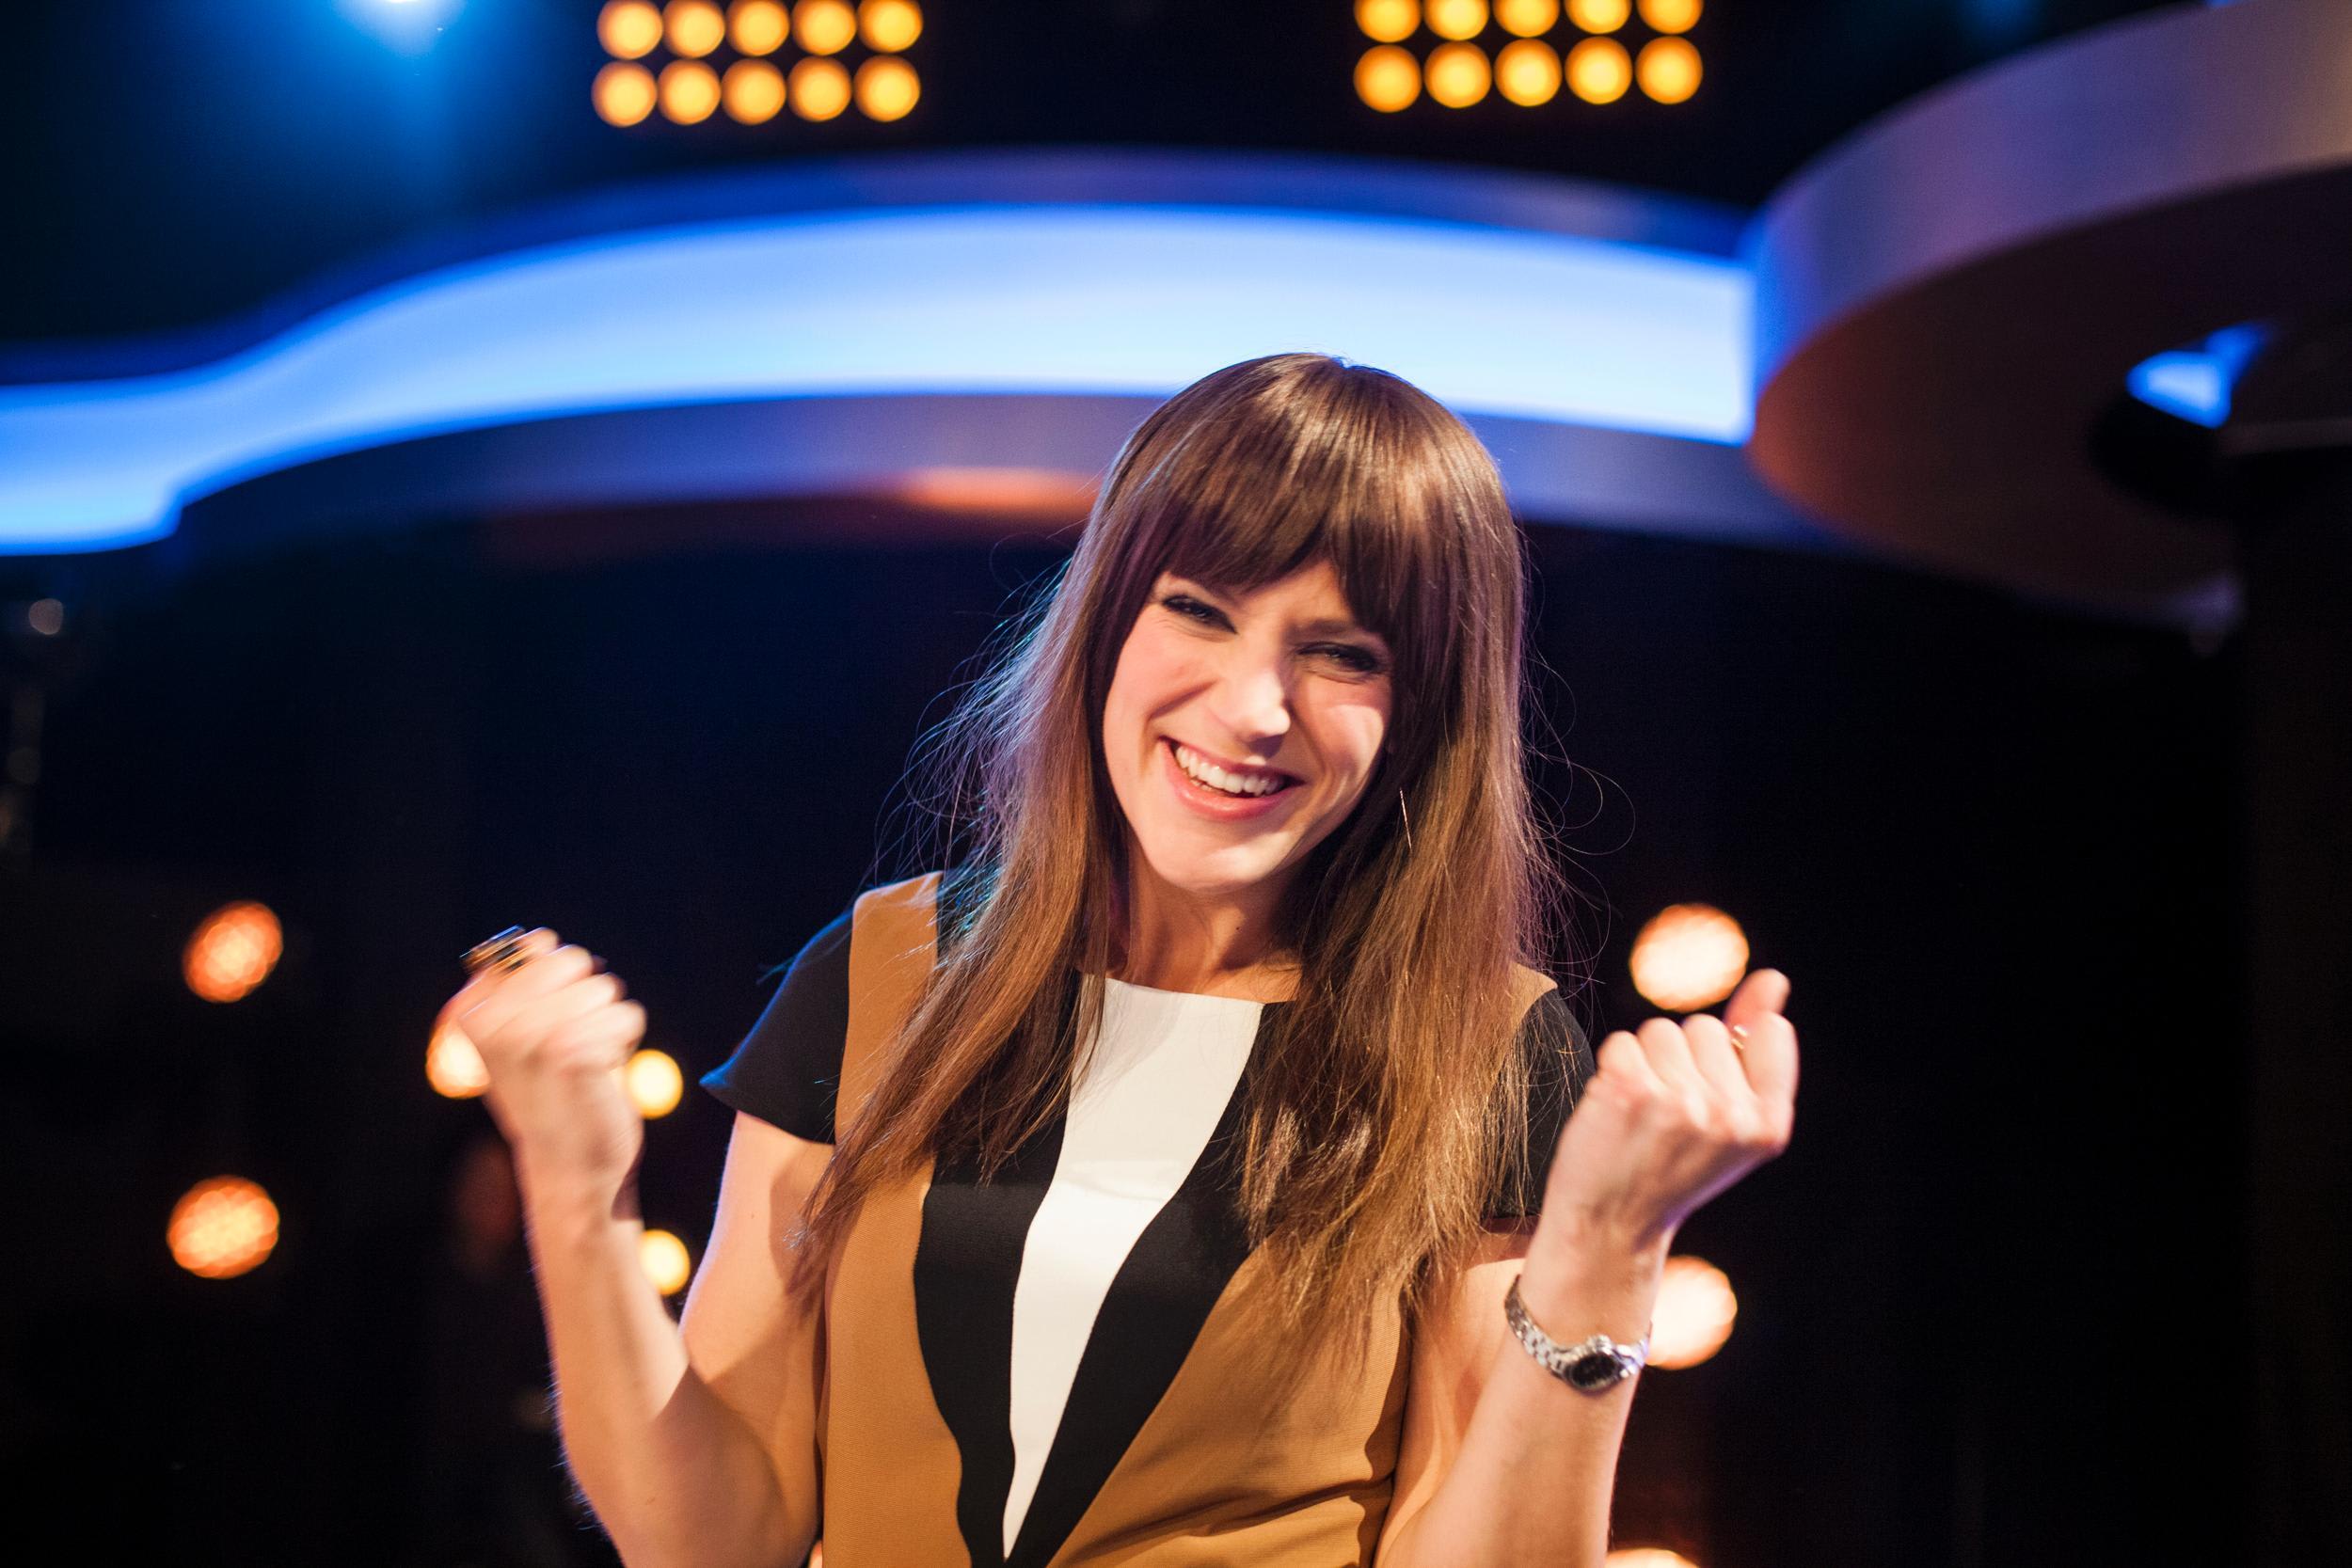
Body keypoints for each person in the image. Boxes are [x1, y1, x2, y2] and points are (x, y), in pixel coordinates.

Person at [437, 352, 1800, 1568]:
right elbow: (711, 1543)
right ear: (1103, 624)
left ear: (1424, 719)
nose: (1254, 708)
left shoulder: (1483, 1049)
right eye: (1199, 610)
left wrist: (1609, 1248)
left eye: (1340, 654)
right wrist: (577, 1190)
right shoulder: (884, 971)